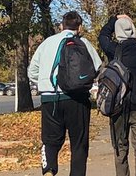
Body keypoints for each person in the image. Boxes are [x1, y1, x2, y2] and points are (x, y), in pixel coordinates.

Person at [29, 11, 103, 176]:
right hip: (77, 99)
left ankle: (49, 170)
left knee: (50, 141)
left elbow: (32, 71)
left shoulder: (47, 43)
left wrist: (45, 82)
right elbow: (97, 67)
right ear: (80, 27)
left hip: (50, 99)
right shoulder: (84, 43)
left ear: (61, 26)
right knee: (79, 144)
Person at [98, 14, 136, 176]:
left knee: (120, 149)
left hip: (118, 107)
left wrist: (114, 19)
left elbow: (103, 36)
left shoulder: (114, 50)